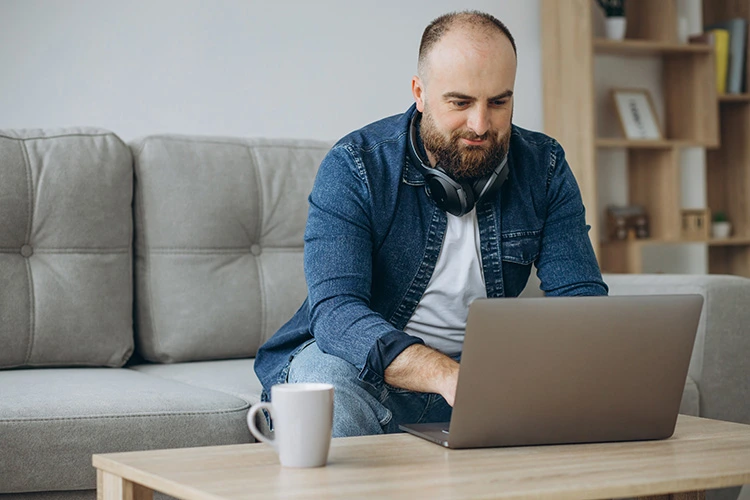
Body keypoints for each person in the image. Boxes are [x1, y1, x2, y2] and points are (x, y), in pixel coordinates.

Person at [254, 10, 608, 437]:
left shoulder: (544, 166)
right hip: (372, 371)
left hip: (487, 378)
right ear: (420, 93)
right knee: (322, 380)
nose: (481, 125)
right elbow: (335, 313)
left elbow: (581, 299)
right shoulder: (356, 166)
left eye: (499, 102)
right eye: (460, 102)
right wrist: (447, 374)